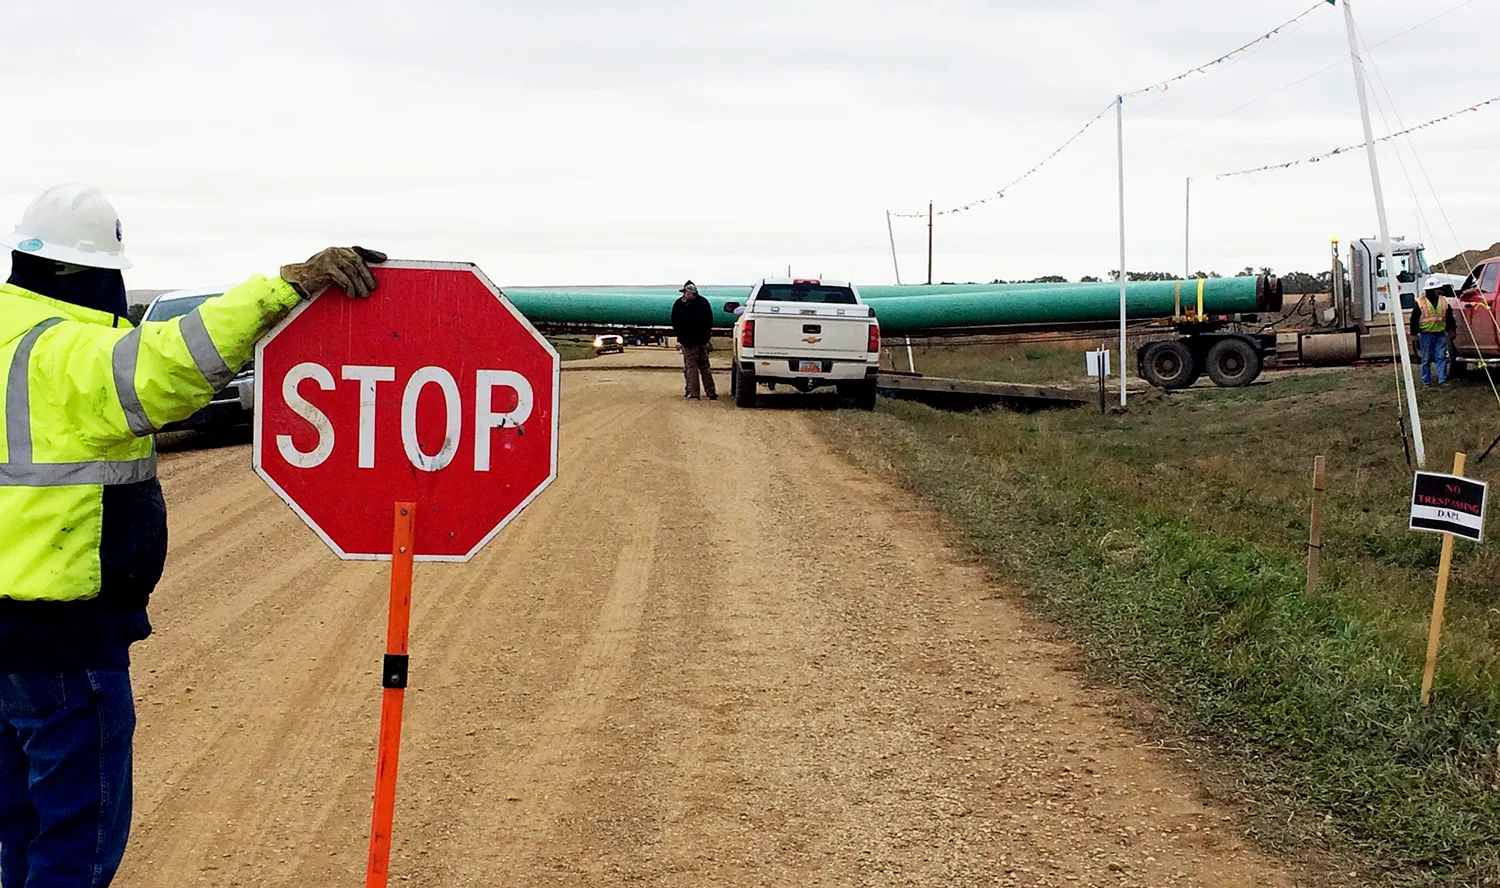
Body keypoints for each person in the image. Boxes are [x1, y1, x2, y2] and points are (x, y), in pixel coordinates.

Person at [0, 182, 385, 888]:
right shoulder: (62, 351)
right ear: (97, 272)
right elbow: (170, 367)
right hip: (61, 634)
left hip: (10, 642)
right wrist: (284, 286)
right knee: (73, 842)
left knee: (20, 828)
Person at [671, 280, 717, 400]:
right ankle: (710, 391)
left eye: (685, 292)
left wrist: (681, 337)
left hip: (690, 342)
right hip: (702, 340)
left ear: (691, 293)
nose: (684, 294)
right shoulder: (703, 302)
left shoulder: (683, 305)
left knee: (691, 367)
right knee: (705, 367)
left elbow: (676, 321)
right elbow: (709, 321)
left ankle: (693, 393)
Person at [1411, 277, 1456, 386]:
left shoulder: (1443, 301)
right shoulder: (1420, 302)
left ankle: (1442, 380)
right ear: (1431, 290)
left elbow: (1449, 317)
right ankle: (1426, 381)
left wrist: (1452, 329)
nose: (1439, 291)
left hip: (1440, 333)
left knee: (1441, 357)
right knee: (1426, 359)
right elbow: (1414, 319)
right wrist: (1414, 334)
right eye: (1437, 289)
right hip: (1426, 334)